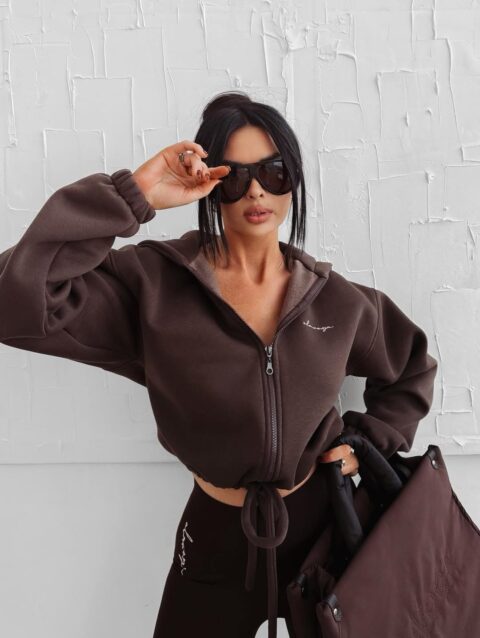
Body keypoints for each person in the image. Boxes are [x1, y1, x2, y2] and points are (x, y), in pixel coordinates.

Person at [0, 90, 437, 638]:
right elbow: (17, 302)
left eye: (274, 172)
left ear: (294, 180)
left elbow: (411, 365)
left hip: (323, 528)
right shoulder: (154, 285)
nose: (256, 190)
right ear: (209, 182)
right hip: (215, 534)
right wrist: (135, 196)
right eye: (236, 176)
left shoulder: (338, 301)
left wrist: (369, 439)